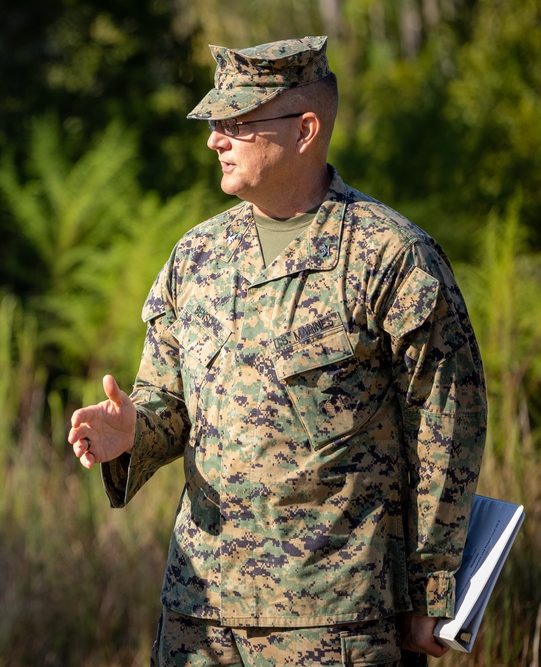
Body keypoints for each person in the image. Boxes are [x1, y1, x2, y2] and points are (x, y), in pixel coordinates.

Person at [68, 37, 486, 666]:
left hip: (332, 616)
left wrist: (433, 587)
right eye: (215, 123)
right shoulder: (197, 255)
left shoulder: (388, 256)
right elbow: (169, 400)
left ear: (305, 129)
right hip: (201, 610)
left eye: (236, 123)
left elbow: (445, 429)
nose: (216, 139)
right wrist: (132, 430)